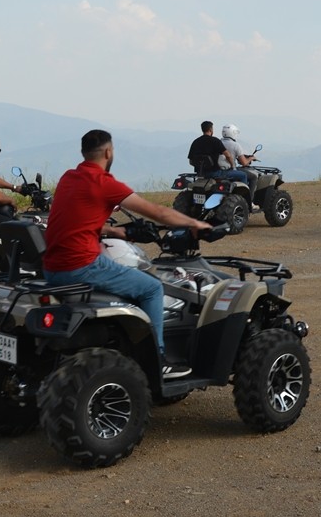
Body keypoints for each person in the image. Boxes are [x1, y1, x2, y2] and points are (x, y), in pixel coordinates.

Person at [43, 129, 212, 379]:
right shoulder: (104, 183)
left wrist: (113, 230)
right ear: (109, 152)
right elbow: (156, 212)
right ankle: (158, 359)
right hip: (81, 265)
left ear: (83, 152)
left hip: (52, 268)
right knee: (152, 288)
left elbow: (74, 219)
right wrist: (195, 224)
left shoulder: (69, 177)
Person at [219, 123, 259, 204]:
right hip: (229, 171)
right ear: (233, 133)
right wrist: (251, 158)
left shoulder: (218, 142)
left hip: (218, 169)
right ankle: (248, 200)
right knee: (253, 176)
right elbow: (244, 163)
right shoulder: (235, 145)